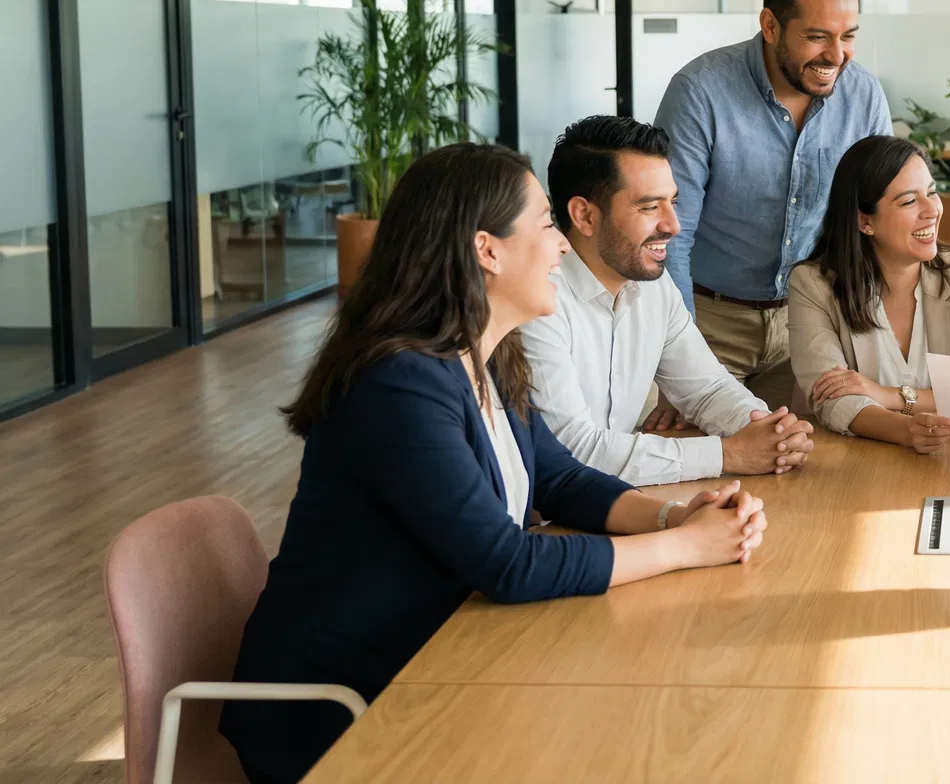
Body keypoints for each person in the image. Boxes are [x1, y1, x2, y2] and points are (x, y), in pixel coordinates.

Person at [220, 144, 768, 784]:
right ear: (488, 250)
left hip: (441, 654)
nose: (563, 246)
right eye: (545, 224)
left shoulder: (486, 355)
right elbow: (506, 563)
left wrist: (674, 514)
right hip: (351, 708)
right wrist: (683, 548)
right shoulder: (399, 383)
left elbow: (560, 480)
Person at [655, 0, 893, 412]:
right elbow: (670, 235)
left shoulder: (864, 97)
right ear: (770, 25)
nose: (836, 55)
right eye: (817, 37)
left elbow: (881, 221)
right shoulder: (699, 93)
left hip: (812, 319)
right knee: (715, 466)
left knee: (809, 464)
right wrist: (678, 356)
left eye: (848, 36)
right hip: (709, 323)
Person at [521, 116, 816, 486]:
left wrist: (771, 431)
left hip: (608, 503)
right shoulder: (536, 297)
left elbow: (706, 389)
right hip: (541, 517)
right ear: (584, 215)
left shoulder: (654, 285)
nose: (673, 225)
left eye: (672, 202)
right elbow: (573, 450)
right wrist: (730, 454)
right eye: (649, 207)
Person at [788, 135, 950, 452]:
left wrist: (888, 395)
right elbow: (832, 399)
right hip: (860, 462)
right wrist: (909, 430)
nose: (931, 210)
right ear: (865, 221)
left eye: (932, 193)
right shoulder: (813, 284)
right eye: (909, 201)